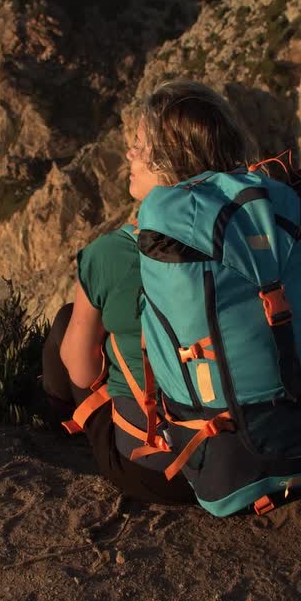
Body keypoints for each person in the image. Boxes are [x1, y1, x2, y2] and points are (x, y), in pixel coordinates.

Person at [41, 80, 258, 504]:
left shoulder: (112, 254)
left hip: (164, 471)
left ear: (168, 161)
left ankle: (49, 431)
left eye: (139, 144)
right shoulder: (258, 234)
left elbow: (82, 373)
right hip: (273, 445)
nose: (129, 154)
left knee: (69, 323)